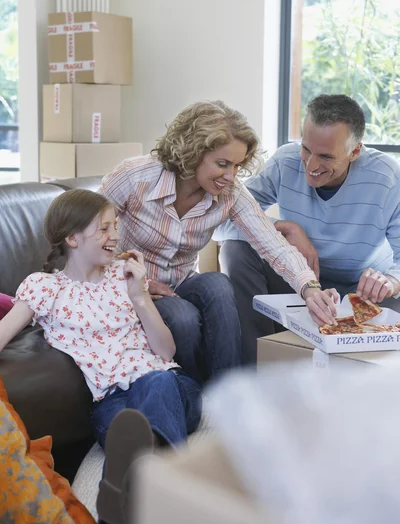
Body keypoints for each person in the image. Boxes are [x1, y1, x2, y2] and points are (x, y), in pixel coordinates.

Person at [0, 189, 202, 524]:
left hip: (172, 386)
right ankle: (145, 490)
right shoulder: (44, 287)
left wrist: (140, 297)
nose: (115, 236)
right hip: (109, 401)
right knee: (128, 427)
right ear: (72, 238)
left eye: (115, 226)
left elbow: (166, 352)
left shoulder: (124, 279)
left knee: (156, 384)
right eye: (104, 229)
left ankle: (136, 492)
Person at [100, 100, 339, 381]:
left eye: (237, 166)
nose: (230, 176)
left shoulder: (230, 193)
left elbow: (272, 244)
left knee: (218, 283)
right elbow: (86, 236)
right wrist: (131, 280)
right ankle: (188, 391)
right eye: (222, 164)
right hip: (130, 286)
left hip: (180, 283)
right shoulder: (135, 177)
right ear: (192, 152)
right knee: (183, 317)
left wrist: (310, 289)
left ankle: (228, 393)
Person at [215, 94, 400, 362]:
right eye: (306, 149)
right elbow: (220, 223)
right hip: (297, 281)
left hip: (362, 293)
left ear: (355, 151)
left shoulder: (388, 178)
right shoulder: (285, 162)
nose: (311, 166)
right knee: (235, 250)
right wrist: (283, 227)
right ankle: (255, 362)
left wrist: (391, 281)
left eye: (325, 156)